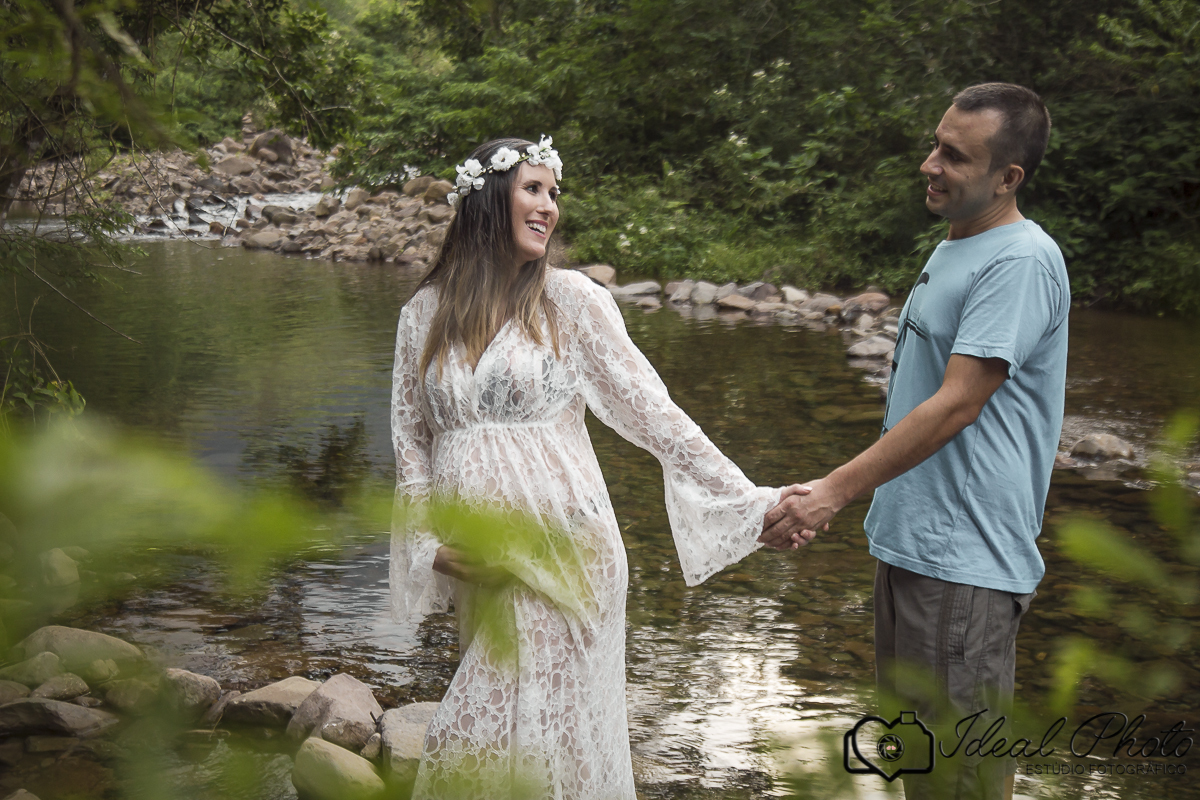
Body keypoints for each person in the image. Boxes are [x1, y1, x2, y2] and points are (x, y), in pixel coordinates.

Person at [390, 136, 807, 799]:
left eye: (554, 194)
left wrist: (750, 501)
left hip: (568, 549)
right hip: (484, 559)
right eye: (534, 188)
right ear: (488, 198)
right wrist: (424, 545)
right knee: (528, 741)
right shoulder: (425, 313)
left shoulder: (572, 301)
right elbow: (410, 442)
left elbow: (656, 415)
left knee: (475, 736)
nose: (549, 207)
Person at [760, 83, 1069, 799]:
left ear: (1007, 178)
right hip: (914, 547)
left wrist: (832, 490)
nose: (930, 163)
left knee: (958, 779)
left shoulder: (1019, 260)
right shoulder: (961, 242)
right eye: (935, 144)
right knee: (919, 769)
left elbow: (957, 404)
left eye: (954, 156)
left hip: (966, 563)